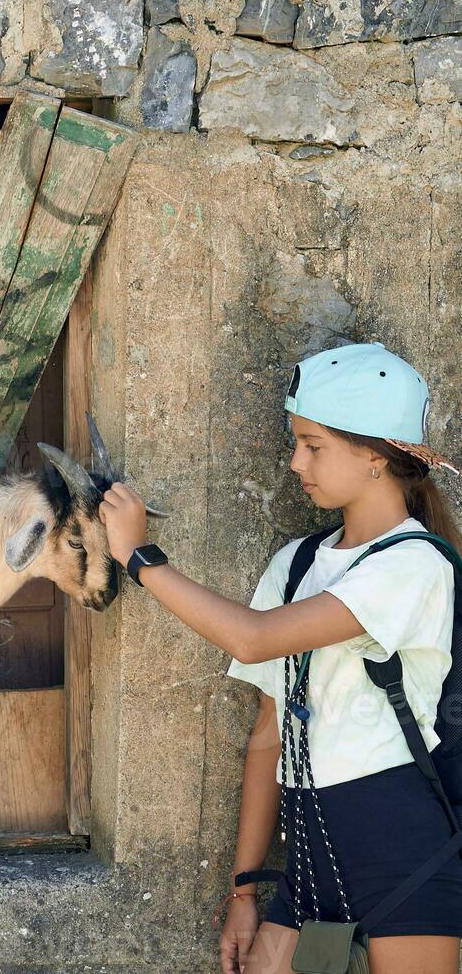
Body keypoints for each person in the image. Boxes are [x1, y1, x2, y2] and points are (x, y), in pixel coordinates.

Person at [98, 342, 462, 974]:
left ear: (375, 456)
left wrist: (140, 559)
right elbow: (269, 737)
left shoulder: (416, 565)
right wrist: (245, 889)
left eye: (313, 445)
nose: (296, 463)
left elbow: (253, 637)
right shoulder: (295, 564)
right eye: (297, 443)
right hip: (309, 846)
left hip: (399, 843)